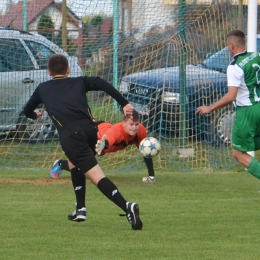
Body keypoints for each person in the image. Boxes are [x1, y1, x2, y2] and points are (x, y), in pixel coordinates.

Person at [23, 54, 143, 230]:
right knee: (74, 163)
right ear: (68, 70)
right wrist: (124, 103)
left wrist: (35, 115)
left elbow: (27, 111)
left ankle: (127, 207)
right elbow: (101, 83)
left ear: (49, 72)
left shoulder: (42, 88)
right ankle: (80, 209)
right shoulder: (79, 81)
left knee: (96, 176)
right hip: (91, 131)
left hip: (71, 136)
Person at [196, 29, 260, 180]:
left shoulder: (234, 66)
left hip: (247, 112)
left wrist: (210, 108)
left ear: (231, 46)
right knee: (251, 142)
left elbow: (231, 96)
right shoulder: (256, 56)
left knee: (237, 153)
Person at [50, 109, 156, 183]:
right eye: (131, 124)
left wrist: (151, 176)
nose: (134, 128)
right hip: (93, 135)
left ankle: (62, 164)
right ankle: (60, 164)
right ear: (124, 123)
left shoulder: (141, 131)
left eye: (136, 124)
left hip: (104, 128)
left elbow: (146, 151)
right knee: (82, 167)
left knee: (84, 167)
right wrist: (104, 145)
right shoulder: (116, 132)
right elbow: (109, 140)